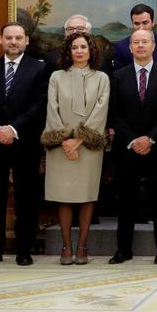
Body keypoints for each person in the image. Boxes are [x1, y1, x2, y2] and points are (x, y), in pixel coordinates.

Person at [0, 22, 49, 266]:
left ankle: (24, 250)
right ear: (1, 40)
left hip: (24, 143)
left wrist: (13, 129)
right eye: (9, 38)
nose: (13, 42)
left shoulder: (39, 69)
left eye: (18, 38)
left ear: (26, 41)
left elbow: (39, 105)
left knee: (27, 199)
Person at [40, 33, 110, 265]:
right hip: (61, 147)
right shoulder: (56, 77)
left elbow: (100, 112)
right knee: (64, 197)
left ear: (91, 51)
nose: (79, 51)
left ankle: (82, 247)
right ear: (68, 51)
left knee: (87, 196)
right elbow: (52, 109)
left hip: (88, 147)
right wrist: (65, 141)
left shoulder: (101, 78)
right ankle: (66, 247)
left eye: (83, 47)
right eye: (75, 47)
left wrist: (79, 140)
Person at [108, 29, 157, 264]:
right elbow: (114, 114)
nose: (140, 46)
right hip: (127, 148)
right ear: (129, 47)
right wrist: (134, 140)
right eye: (135, 42)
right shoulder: (118, 77)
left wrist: (151, 139)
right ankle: (123, 250)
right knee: (126, 202)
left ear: (153, 46)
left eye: (144, 42)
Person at [111, 4, 157, 70]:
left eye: (145, 23)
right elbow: (119, 77)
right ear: (132, 24)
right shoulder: (121, 46)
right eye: (137, 23)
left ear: (152, 23)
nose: (141, 28)